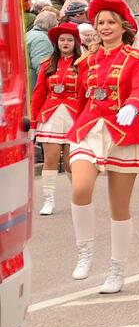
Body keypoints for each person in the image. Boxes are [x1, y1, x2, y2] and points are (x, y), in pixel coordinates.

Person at [67, 0, 139, 294]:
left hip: (122, 133)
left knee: (119, 207)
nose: (104, 27)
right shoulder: (86, 61)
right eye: (100, 23)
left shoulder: (136, 58)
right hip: (90, 130)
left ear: (123, 27)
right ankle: (85, 252)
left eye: (110, 22)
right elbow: (80, 101)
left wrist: (133, 104)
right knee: (80, 188)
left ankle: (117, 269)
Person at [30, 22, 82, 216]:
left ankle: (78, 196)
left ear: (75, 42)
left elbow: (86, 93)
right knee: (50, 159)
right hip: (50, 114)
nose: (65, 43)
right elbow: (38, 94)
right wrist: (34, 123)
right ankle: (48, 200)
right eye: (61, 40)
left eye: (69, 40)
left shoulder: (82, 63)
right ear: (56, 42)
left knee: (70, 162)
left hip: (74, 115)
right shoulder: (47, 64)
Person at [26, 9, 58, 89]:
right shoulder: (42, 40)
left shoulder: (28, 35)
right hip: (33, 87)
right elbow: (43, 68)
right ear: (52, 25)